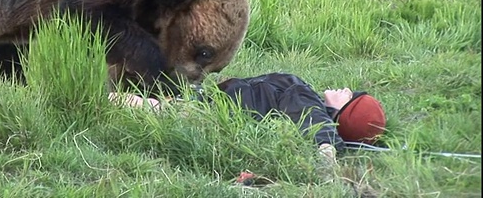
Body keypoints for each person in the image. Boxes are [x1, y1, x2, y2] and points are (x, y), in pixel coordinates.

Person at [108, 72, 387, 163]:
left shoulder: (309, 101)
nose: (346, 89)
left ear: (341, 115)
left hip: (217, 109)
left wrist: (326, 151)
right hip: (218, 103)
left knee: (150, 105)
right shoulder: (309, 103)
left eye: (350, 97)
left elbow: (316, 123)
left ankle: (94, 102)